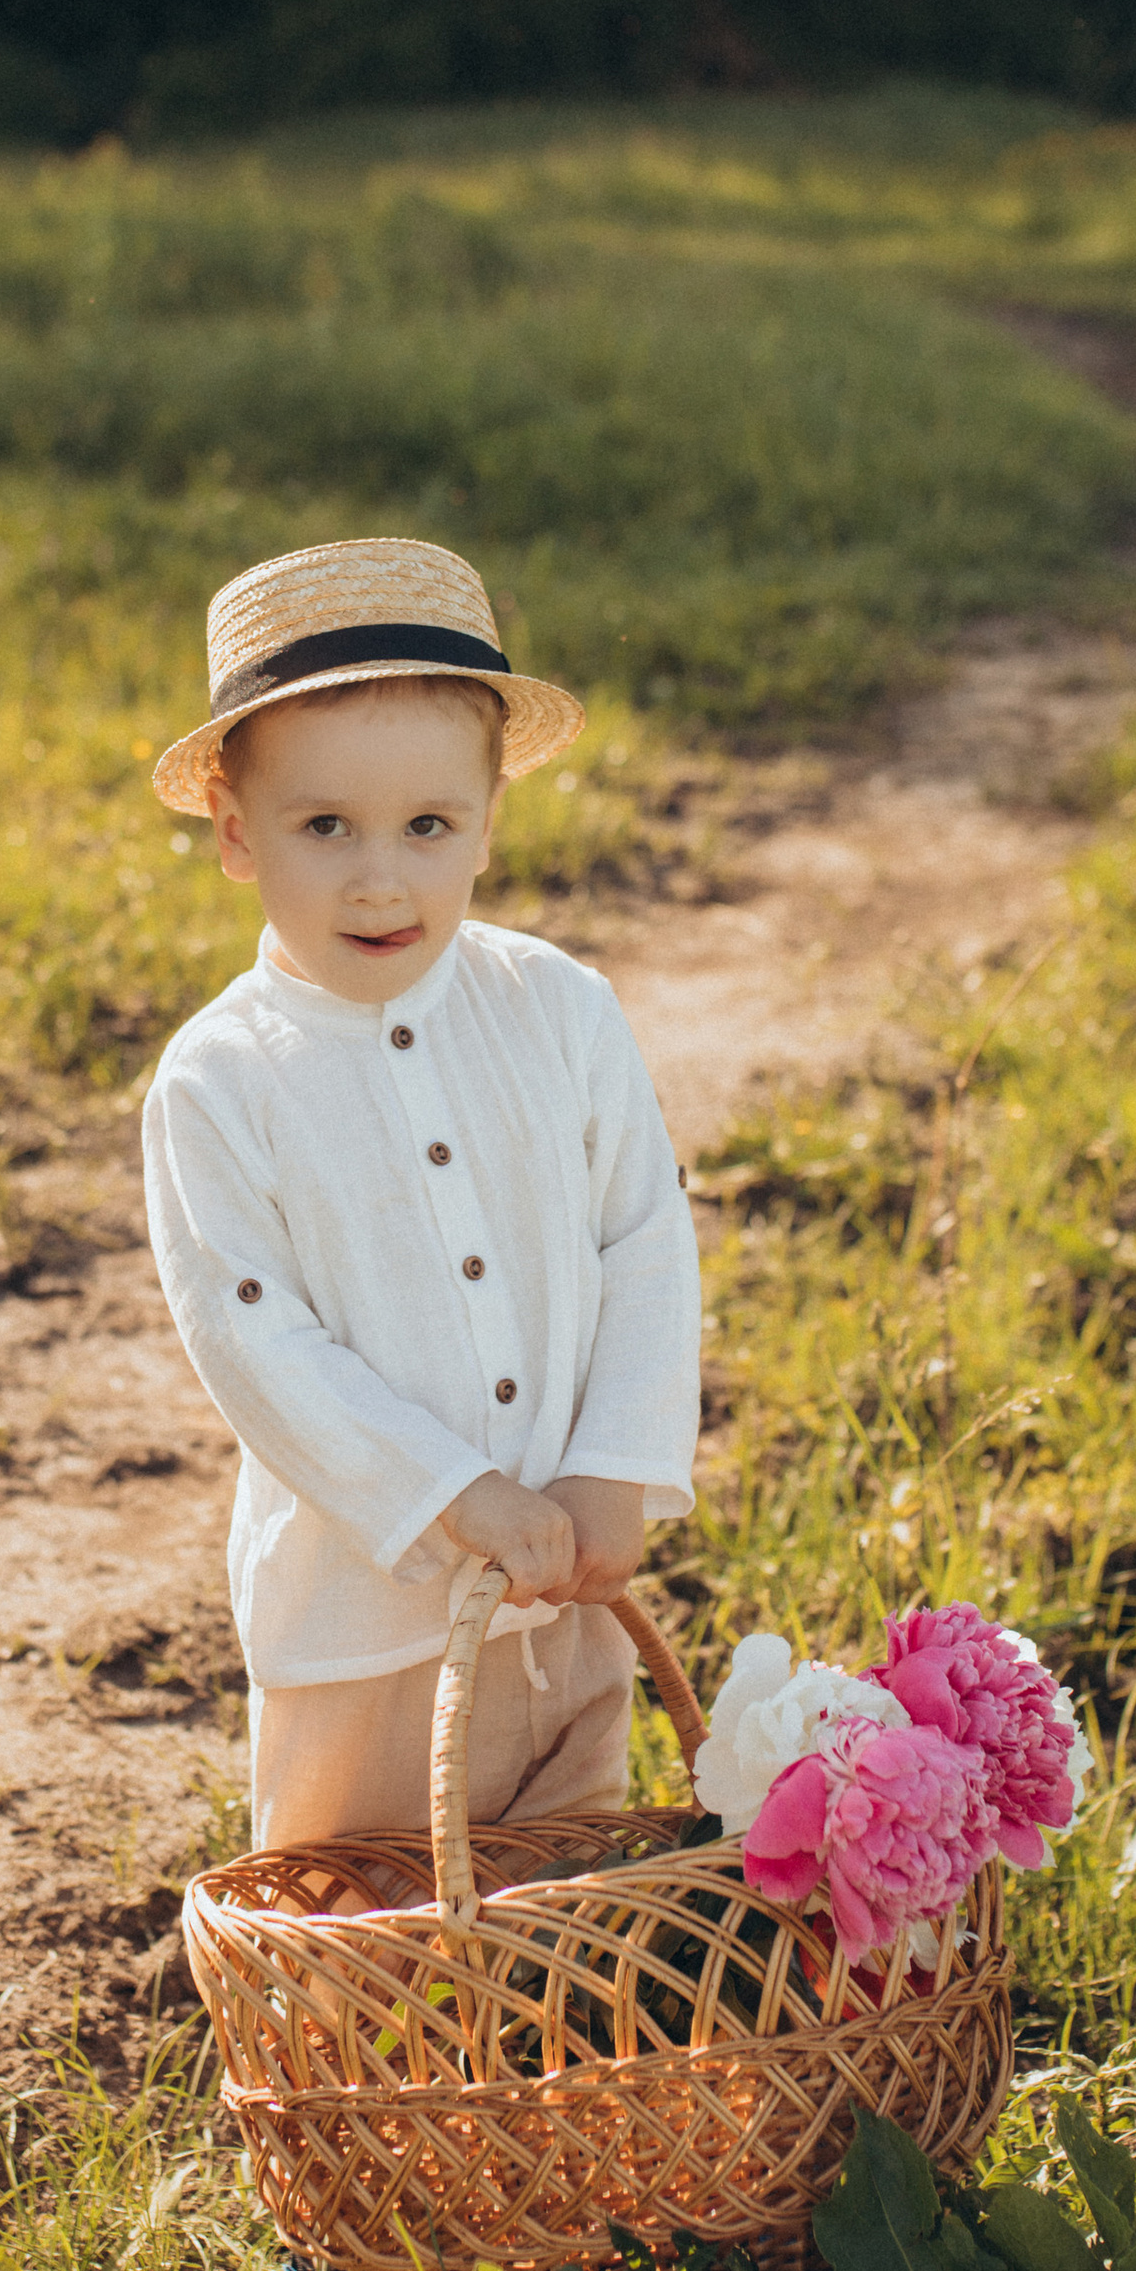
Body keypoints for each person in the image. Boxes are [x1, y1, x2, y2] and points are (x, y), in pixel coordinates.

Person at [140, 535, 701, 1853]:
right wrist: (456, 1493)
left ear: (489, 825)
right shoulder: (221, 1078)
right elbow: (254, 1338)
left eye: (427, 827)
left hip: (572, 1584)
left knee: (567, 1907)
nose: (380, 877)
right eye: (323, 826)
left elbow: (645, 1234)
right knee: (368, 1915)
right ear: (236, 831)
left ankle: (553, 2067)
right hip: (364, 1627)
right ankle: (373, 2070)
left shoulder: (558, 1010)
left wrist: (613, 1466)